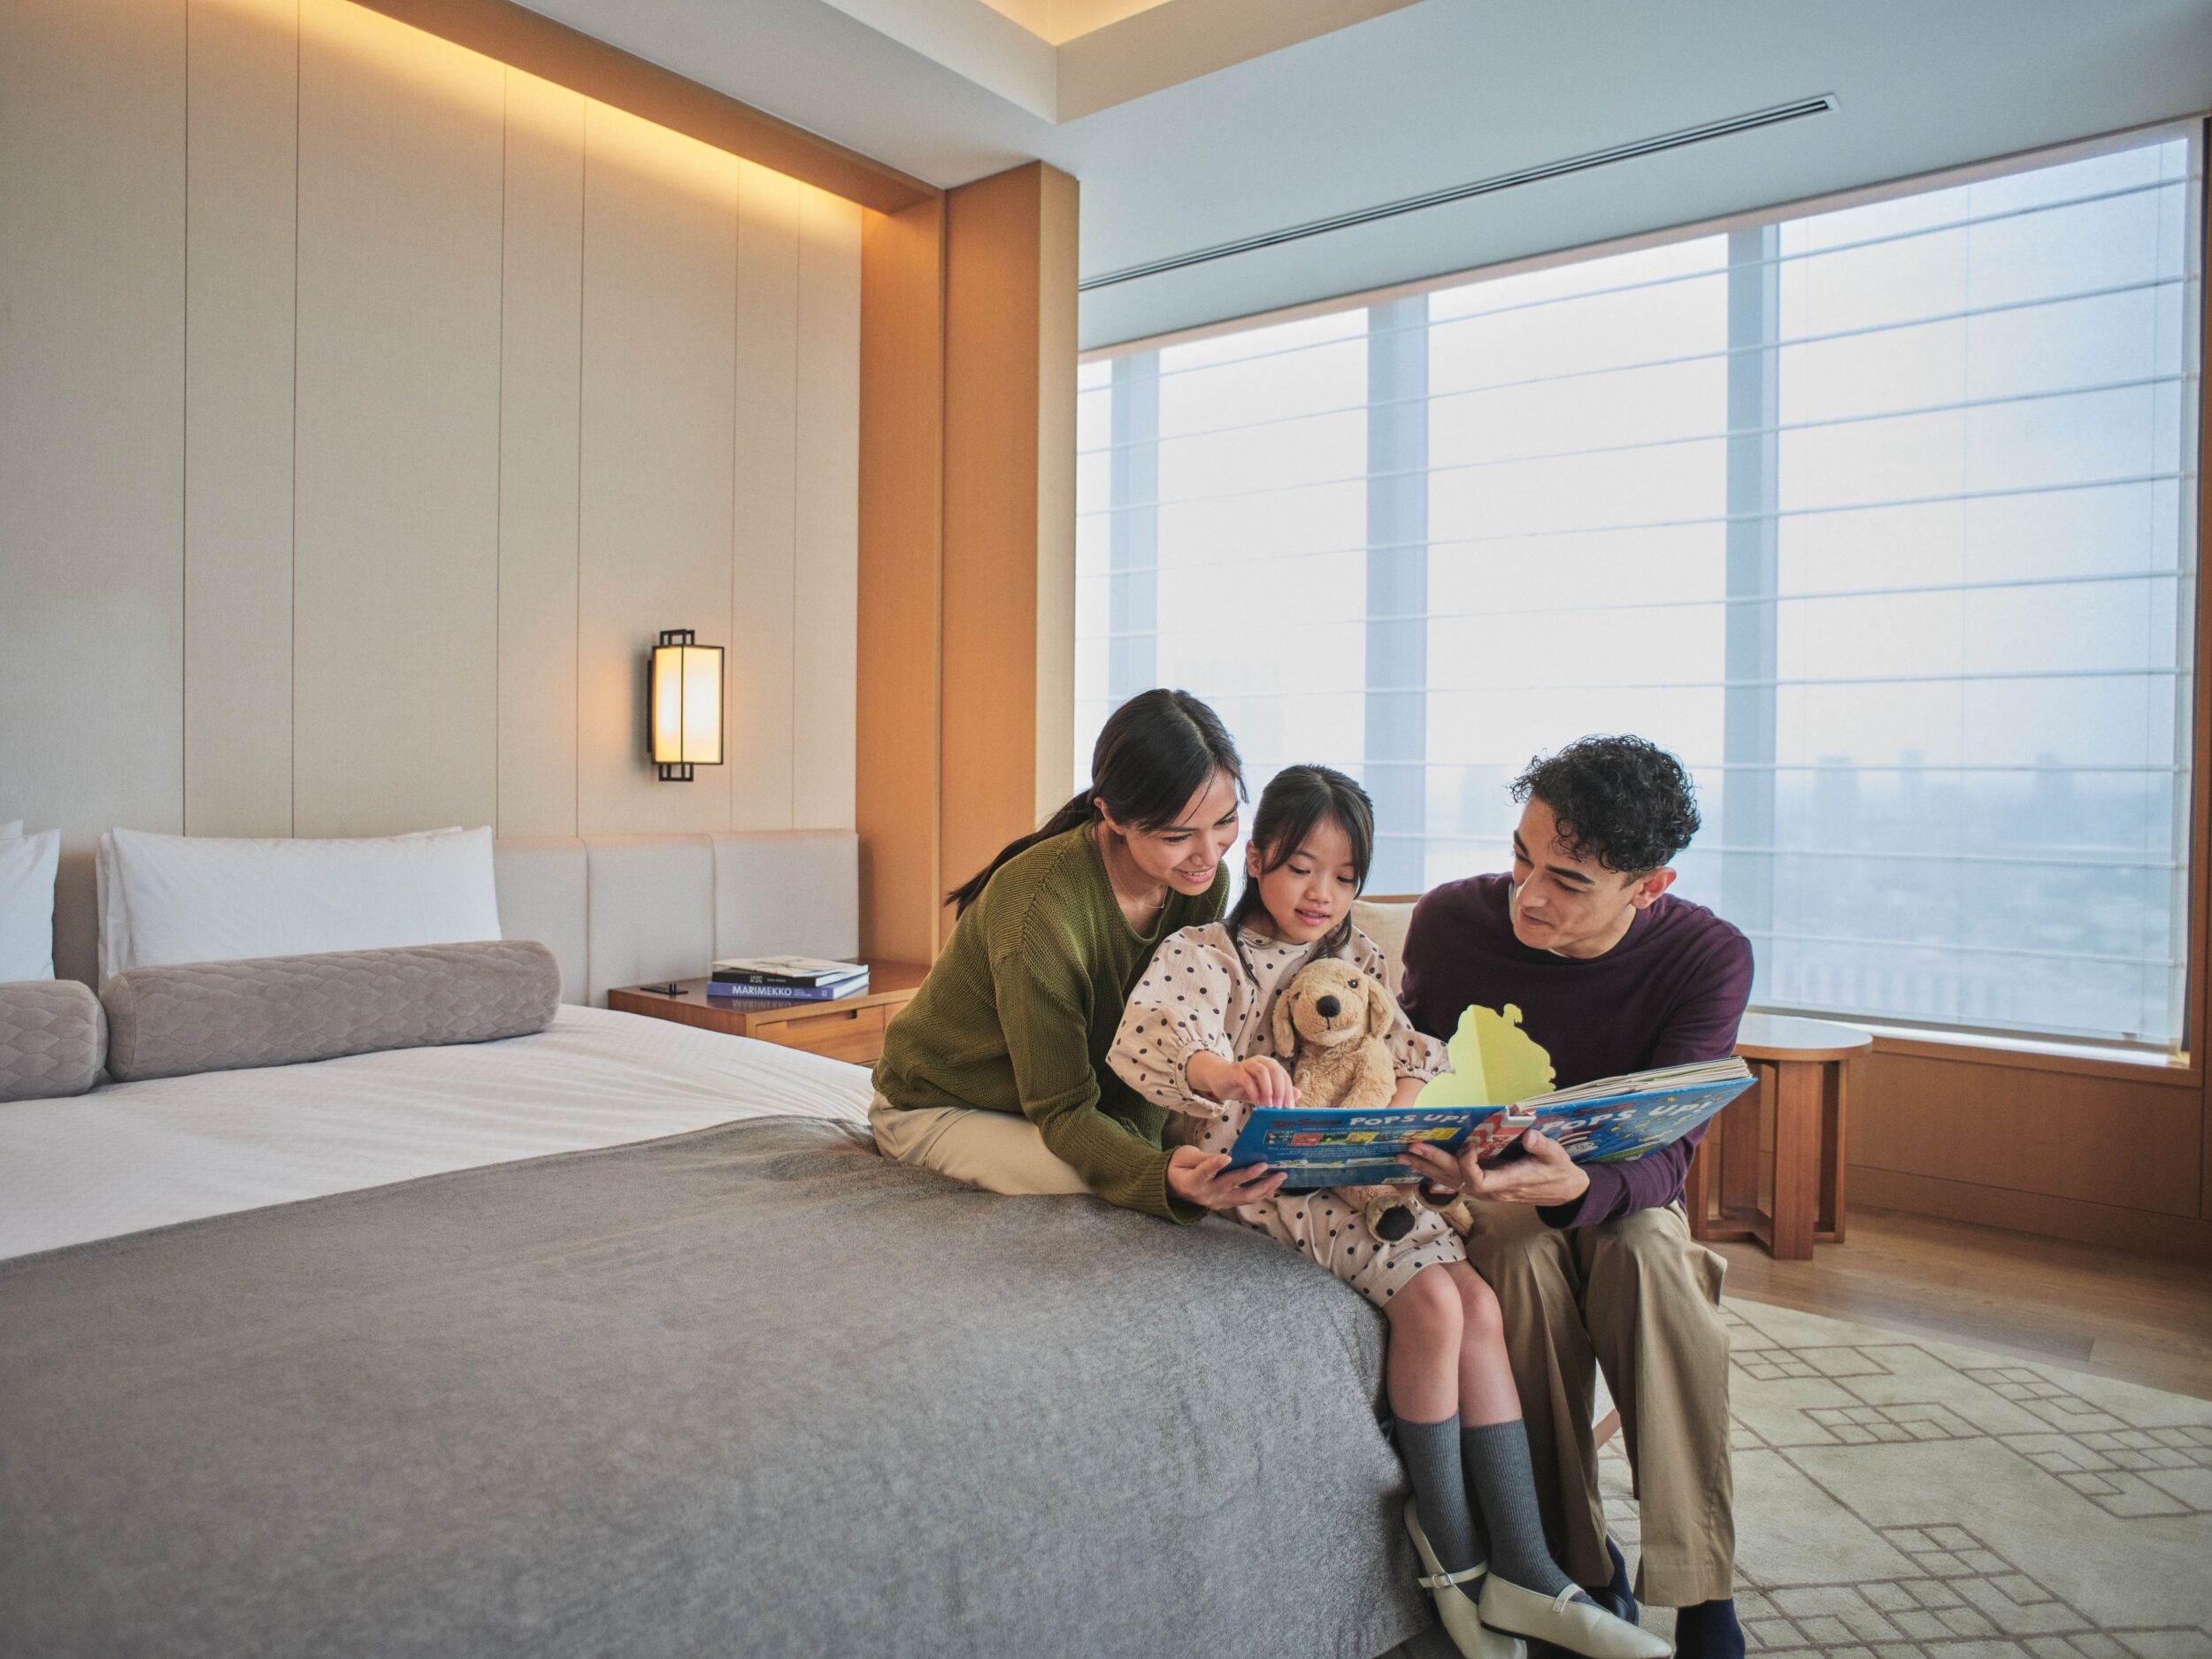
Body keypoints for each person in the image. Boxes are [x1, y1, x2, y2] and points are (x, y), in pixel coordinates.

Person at [1108, 766, 1668, 1659]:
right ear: (1255, 859)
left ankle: (1524, 1568)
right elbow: (1163, 1040)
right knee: (1438, 1303)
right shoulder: (1203, 951)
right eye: (1298, 869)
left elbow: (1409, 1048)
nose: (1319, 893)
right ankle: (1452, 1559)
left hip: (1370, 1178)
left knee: (1478, 1306)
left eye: (1343, 877)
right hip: (1270, 1186)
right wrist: (1228, 1075)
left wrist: (1412, 1110)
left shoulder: (1359, 957)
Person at [1397, 736, 1754, 1659]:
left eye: (1568, 879)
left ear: (1649, 885)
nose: (1528, 893)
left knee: (1647, 1257)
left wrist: (1584, 1185)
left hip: (1622, 1191)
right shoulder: (1449, 923)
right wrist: (1429, 1153)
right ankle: (1577, 1566)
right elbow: (1409, 1079)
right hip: (1491, 1193)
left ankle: (1703, 1590)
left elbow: (1670, 1156)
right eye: (1521, 856)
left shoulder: (1706, 957)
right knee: (1513, 1259)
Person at [870, 688, 1283, 1221]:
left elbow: (1160, 1031)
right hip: (941, 1108)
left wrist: (1161, 1144)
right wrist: (1154, 1171)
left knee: (1226, 1157)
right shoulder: (1039, 910)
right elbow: (1063, 1109)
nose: (1208, 853)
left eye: (1225, 821)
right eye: (1178, 835)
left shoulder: (1199, 884)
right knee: (1118, 1195)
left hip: (1076, 1100)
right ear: (1111, 814)